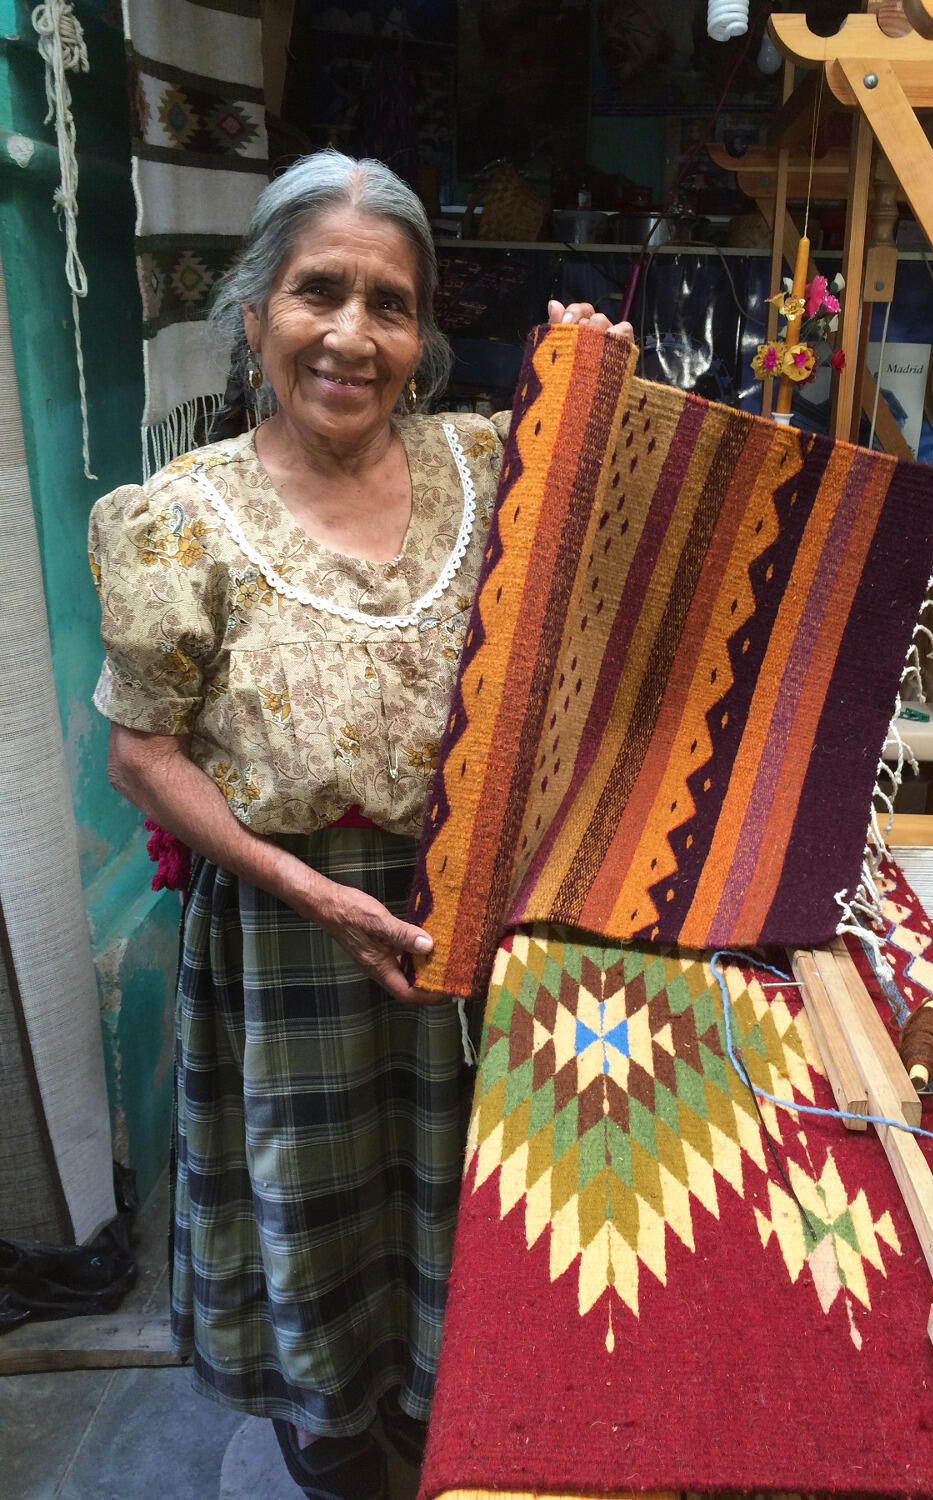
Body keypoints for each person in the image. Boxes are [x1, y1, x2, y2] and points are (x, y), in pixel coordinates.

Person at [88, 148, 631, 1500]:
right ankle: (341, 1459)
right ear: (258, 306)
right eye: (317, 292)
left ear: (422, 331)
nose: (352, 334)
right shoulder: (180, 520)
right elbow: (141, 756)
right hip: (291, 942)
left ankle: (463, 1447)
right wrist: (309, 891)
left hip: (470, 931)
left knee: (473, 1226)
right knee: (319, 1241)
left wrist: (599, 384)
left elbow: (626, 531)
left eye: (389, 303)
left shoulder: (492, 469)